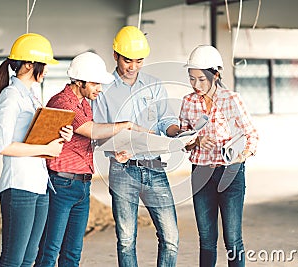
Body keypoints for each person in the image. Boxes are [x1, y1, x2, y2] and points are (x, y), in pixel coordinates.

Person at [34, 51, 147, 267]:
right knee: (49, 251)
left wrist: (113, 149)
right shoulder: (62, 101)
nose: (99, 89)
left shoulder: (84, 103)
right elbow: (91, 130)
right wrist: (125, 125)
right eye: (95, 84)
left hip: (82, 186)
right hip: (62, 184)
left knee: (73, 253)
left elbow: (87, 140)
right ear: (79, 81)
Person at [93, 26, 181, 267]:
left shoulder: (154, 85)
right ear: (115, 56)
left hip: (154, 168)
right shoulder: (103, 89)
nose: (132, 66)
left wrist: (178, 132)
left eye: (139, 61)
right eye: (127, 60)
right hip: (122, 170)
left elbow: (166, 121)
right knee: (125, 240)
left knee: (171, 237)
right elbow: (97, 129)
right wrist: (111, 147)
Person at [0, 33, 73, 267]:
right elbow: (3, 145)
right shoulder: (10, 96)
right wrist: (45, 147)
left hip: (39, 183)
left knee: (29, 259)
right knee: (12, 260)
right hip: (19, 185)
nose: (45, 69)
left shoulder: (33, 97)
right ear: (28, 64)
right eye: (43, 64)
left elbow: (35, 136)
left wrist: (60, 136)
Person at [179, 45, 259, 267]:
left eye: (201, 80)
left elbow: (252, 135)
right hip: (201, 174)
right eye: (191, 78)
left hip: (230, 174)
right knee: (206, 240)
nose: (196, 85)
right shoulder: (188, 102)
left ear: (215, 75)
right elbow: (183, 142)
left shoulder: (232, 99)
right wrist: (196, 141)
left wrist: (240, 155)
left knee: (233, 240)